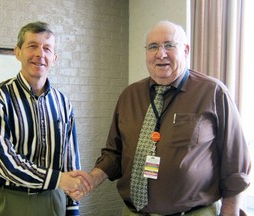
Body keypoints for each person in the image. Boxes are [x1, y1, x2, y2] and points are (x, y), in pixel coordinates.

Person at [71, 20, 252, 215]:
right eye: (153, 47)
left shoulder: (213, 93)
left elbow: (235, 165)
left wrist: (230, 212)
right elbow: (114, 153)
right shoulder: (129, 95)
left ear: (186, 50)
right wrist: (92, 178)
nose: (160, 54)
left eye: (169, 45)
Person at [0, 21, 91, 216]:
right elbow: (3, 162)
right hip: (3, 201)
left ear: (54, 58)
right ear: (18, 52)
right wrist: (57, 179)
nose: (40, 54)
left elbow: (70, 162)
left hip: (52, 201)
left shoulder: (63, 103)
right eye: (32, 46)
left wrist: (72, 208)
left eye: (47, 48)